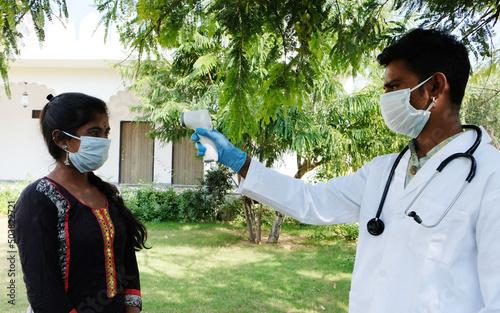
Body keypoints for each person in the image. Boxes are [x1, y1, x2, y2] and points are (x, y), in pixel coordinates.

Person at [191, 29, 500, 312]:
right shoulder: (383, 171)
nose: (385, 99)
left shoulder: (490, 176)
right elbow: (311, 202)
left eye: (394, 88)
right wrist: (238, 161)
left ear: (435, 86)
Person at [10, 93, 148, 313]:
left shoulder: (109, 193)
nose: (104, 140)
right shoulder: (37, 199)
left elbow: (126, 260)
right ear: (60, 139)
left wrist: (132, 309)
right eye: (94, 133)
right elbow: (43, 289)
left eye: (106, 132)